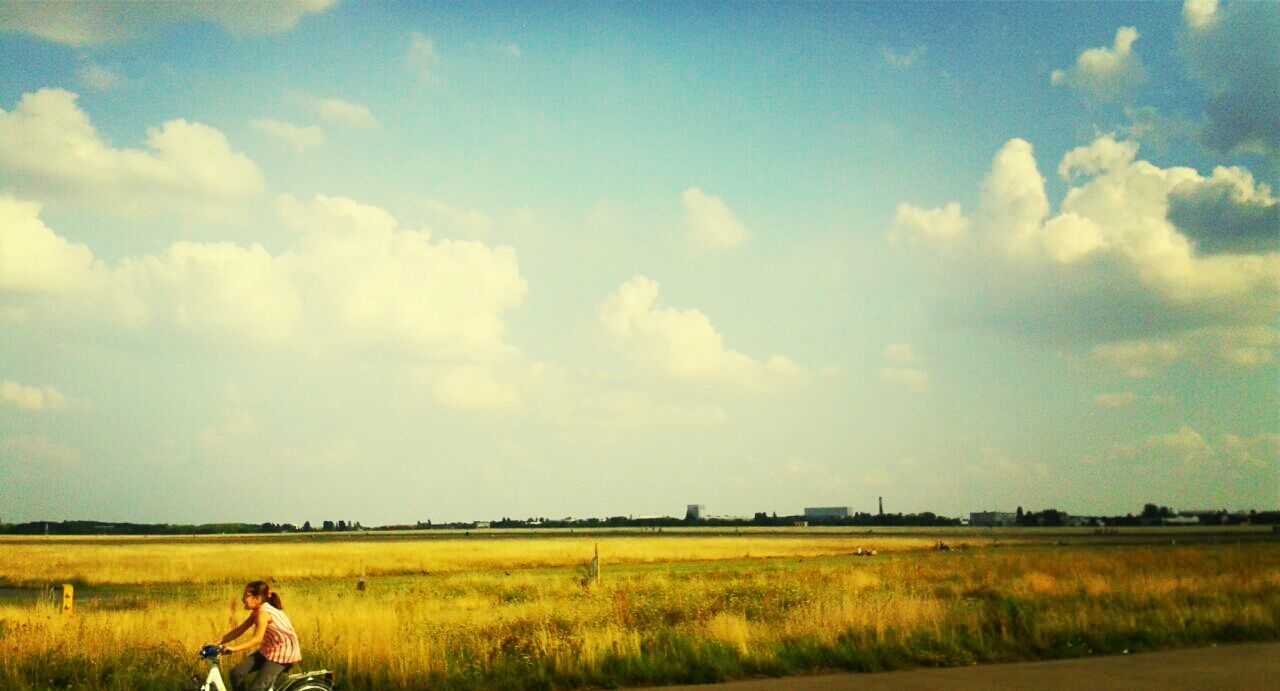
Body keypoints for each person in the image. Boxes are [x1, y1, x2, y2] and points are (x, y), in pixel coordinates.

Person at [211, 581, 303, 691]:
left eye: (246, 596)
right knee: (236, 673)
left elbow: (257, 639)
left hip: (283, 653)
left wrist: (234, 649)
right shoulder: (257, 611)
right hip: (269, 649)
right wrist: (217, 642)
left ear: (258, 599)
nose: (243, 599)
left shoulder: (263, 614)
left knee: (256, 688)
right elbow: (240, 629)